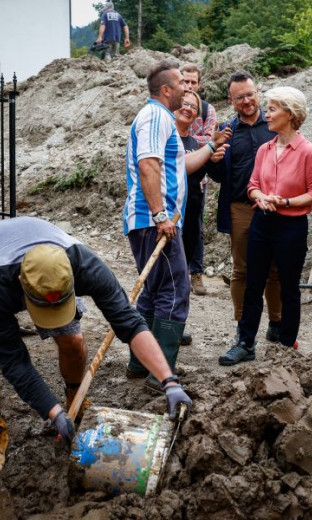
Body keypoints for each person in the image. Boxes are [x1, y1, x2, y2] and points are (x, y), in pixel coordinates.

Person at [0, 217, 192, 476]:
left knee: (73, 341)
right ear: (20, 282)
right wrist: (52, 413)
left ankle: (75, 399)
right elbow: (12, 360)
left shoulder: (86, 265)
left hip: (43, 261)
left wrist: (170, 382)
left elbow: (130, 324)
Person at [123, 61, 228, 391]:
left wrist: (210, 147)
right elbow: (148, 164)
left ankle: (140, 363)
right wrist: (160, 216)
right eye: (182, 84)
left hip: (151, 219)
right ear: (165, 90)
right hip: (154, 220)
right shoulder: (155, 116)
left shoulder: (162, 119)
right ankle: (161, 373)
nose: (188, 89)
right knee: (174, 290)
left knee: (155, 291)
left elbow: (178, 165)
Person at [219, 87, 312, 365]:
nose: (267, 113)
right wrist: (261, 197)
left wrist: (285, 202)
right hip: (262, 223)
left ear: (290, 114)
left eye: (272, 109)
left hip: (291, 227)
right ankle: (245, 343)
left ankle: (286, 347)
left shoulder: (308, 152)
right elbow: (252, 185)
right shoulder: (265, 149)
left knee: (289, 287)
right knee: (254, 283)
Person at [206, 70, 282, 343]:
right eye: (240, 98)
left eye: (250, 94)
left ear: (257, 92)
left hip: (275, 206)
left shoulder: (275, 124)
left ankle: (277, 321)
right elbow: (218, 176)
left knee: (275, 269)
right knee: (242, 270)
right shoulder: (227, 132)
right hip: (240, 208)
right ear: (231, 99)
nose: (247, 101)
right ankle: (242, 324)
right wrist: (213, 160)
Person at [181, 64, 218, 296]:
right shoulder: (173, 106)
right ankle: (175, 271)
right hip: (174, 179)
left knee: (195, 225)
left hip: (197, 178)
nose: (189, 86)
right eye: (185, 81)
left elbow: (208, 138)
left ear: (199, 84)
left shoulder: (206, 109)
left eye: (193, 82)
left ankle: (195, 273)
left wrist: (186, 139)